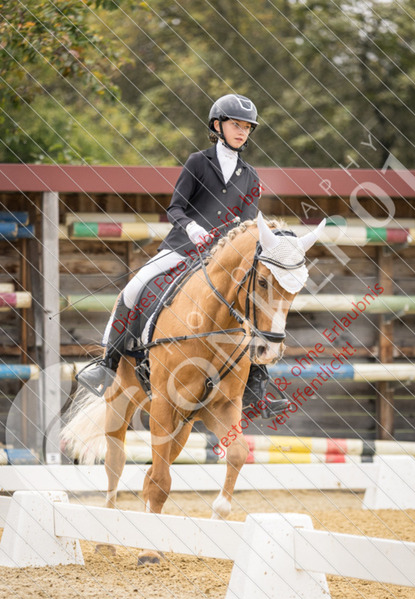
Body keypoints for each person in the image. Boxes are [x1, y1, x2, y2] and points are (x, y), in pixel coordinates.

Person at [77, 94, 288, 416]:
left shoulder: (250, 175)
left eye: (247, 127)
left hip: (222, 261)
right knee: (133, 290)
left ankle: (256, 384)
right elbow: (175, 207)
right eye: (236, 125)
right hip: (182, 248)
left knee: (251, 306)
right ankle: (107, 364)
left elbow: (247, 226)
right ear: (217, 125)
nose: (242, 132)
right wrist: (192, 228)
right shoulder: (198, 162)